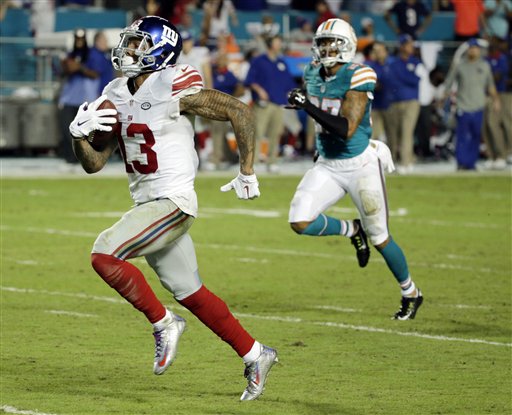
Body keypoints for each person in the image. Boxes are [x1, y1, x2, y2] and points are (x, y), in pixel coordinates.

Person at [68, 16, 277, 401]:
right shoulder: (115, 91)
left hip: (173, 202)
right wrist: (79, 137)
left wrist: (247, 171)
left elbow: (239, 111)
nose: (128, 50)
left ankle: (163, 323)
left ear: (159, 51)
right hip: (149, 204)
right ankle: (255, 354)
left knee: (103, 253)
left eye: (138, 44)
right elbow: (94, 163)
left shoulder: (172, 81)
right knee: (191, 291)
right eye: (128, 42)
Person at [286, 18, 423, 320]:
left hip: (360, 164)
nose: (326, 48)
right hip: (328, 163)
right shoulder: (311, 71)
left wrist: (306, 106)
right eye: (322, 42)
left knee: (381, 237)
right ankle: (351, 228)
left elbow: (345, 128)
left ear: (346, 44)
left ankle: (411, 292)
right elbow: (323, 120)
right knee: (299, 220)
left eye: (333, 42)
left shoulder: (359, 74)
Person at [443, 38, 500, 170]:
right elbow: (449, 83)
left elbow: (490, 86)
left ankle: (471, 163)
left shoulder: (484, 66)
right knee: (462, 136)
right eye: (471, 48)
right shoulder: (460, 65)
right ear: (468, 50)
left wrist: (496, 100)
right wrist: (444, 97)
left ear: (479, 50)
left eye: (475, 48)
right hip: (462, 105)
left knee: (475, 136)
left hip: (478, 106)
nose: (473, 50)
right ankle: (461, 162)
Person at [244, 34, 297, 172]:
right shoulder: (258, 61)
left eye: (280, 42)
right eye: (277, 42)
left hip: (279, 103)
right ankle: (253, 162)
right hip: (263, 104)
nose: (279, 44)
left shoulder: (282, 63)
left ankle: (272, 161)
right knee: (257, 133)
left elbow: (289, 84)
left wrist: (290, 98)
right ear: (269, 44)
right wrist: (259, 90)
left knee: (276, 133)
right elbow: (249, 80)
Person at [58, 28, 101, 164]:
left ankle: (86, 158)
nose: (79, 42)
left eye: (81, 39)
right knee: (67, 130)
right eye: (77, 39)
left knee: (87, 132)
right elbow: (63, 72)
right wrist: (68, 66)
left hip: (86, 100)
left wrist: (80, 67)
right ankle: (70, 158)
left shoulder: (92, 55)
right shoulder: (70, 55)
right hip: (69, 98)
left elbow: (95, 74)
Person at [386, 34, 421, 173]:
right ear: (401, 47)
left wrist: (403, 76)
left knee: (407, 132)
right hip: (395, 102)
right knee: (393, 134)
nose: (411, 47)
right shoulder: (394, 63)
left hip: (411, 101)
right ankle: (394, 161)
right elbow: (393, 81)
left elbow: (417, 80)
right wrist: (408, 76)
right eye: (408, 44)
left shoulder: (416, 62)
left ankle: (406, 162)